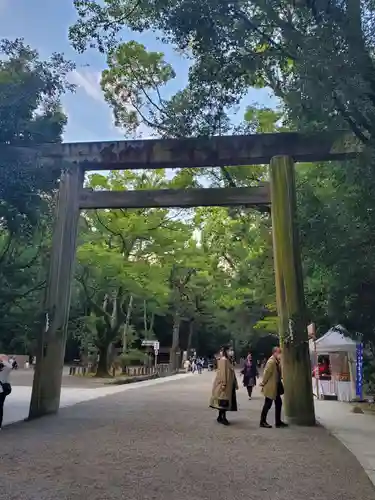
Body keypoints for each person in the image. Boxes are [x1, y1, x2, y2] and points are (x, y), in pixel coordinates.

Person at [259, 347, 288, 429]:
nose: (280, 354)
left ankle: (278, 421)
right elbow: (266, 373)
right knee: (267, 404)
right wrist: (263, 382)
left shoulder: (276, 361)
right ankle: (262, 421)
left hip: (276, 385)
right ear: (274, 352)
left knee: (278, 403)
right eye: (279, 352)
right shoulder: (271, 362)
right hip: (271, 386)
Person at [209, 346, 238, 426]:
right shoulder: (224, 360)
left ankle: (220, 417)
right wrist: (224, 383)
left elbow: (231, 373)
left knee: (224, 401)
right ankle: (223, 417)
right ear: (226, 351)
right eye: (230, 350)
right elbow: (222, 373)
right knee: (223, 401)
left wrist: (234, 383)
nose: (231, 352)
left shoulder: (228, 360)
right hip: (224, 384)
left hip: (228, 384)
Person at [0, 356, 13, 429]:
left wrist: (2, 359)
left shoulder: (4, 371)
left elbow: (10, 366)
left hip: (1, 392)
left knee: (0, 408)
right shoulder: (5, 371)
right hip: (1, 392)